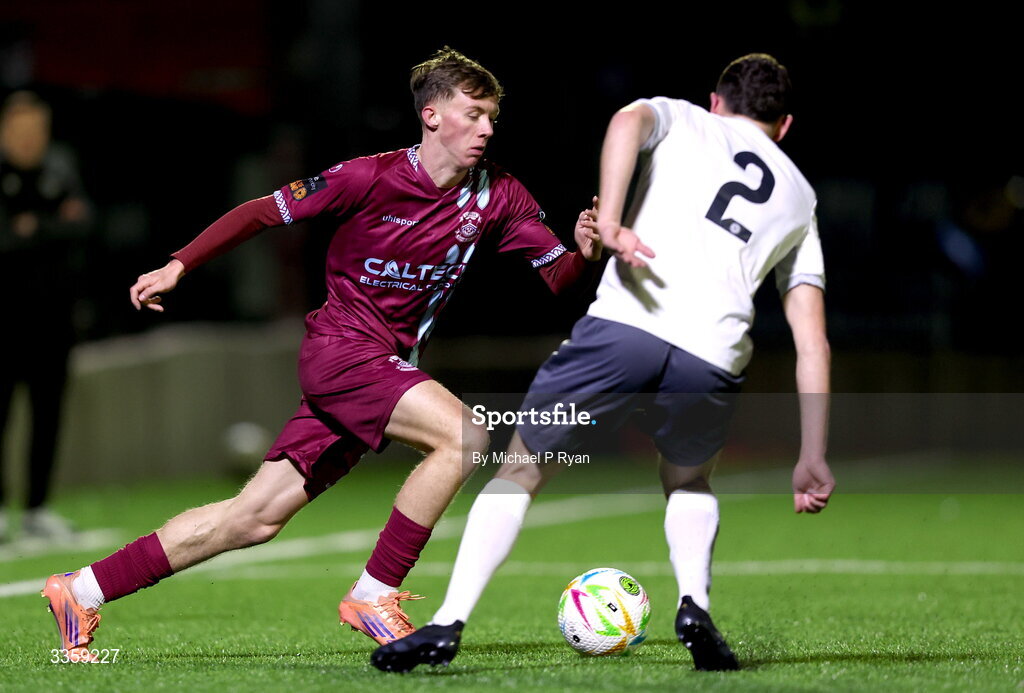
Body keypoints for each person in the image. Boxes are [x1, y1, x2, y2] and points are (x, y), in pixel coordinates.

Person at [40, 47, 602, 663]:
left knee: (252, 519)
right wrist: (180, 263)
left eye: (493, 116)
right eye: (475, 114)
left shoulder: (500, 194)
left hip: (381, 364)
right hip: (342, 351)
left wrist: (583, 250)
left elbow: (558, 277)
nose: (488, 128)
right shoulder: (369, 176)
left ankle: (82, 589)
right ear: (433, 115)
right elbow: (261, 213)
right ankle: (373, 592)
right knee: (464, 436)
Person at [372, 53, 835, 673]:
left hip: (626, 330)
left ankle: (448, 622)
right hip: (714, 354)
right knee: (690, 480)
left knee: (522, 469)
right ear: (784, 126)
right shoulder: (801, 197)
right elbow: (813, 342)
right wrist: (812, 452)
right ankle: (694, 604)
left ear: (717, 102)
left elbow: (624, 122)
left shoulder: (684, 117)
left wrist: (612, 222)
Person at [0, 91, 91, 543]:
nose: (29, 140)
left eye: (37, 130)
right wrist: (51, 227)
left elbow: (85, 223)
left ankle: (37, 507)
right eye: (20, 131)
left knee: (48, 413)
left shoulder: (60, 168)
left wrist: (36, 227)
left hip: (53, 318)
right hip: (4, 320)